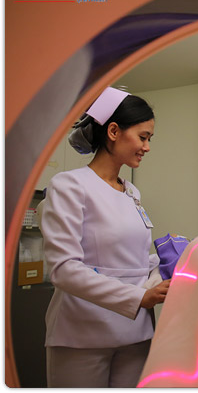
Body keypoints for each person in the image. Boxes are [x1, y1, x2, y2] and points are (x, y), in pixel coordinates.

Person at [40, 87, 171, 388]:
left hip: (135, 332)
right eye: (143, 137)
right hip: (83, 332)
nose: (147, 147)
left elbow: (132, 261)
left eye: (149, 139)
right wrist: (139, 297)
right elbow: (64, 269)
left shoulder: (132, 192)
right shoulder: (70, 185)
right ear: (113, 131)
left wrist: (167, 258)